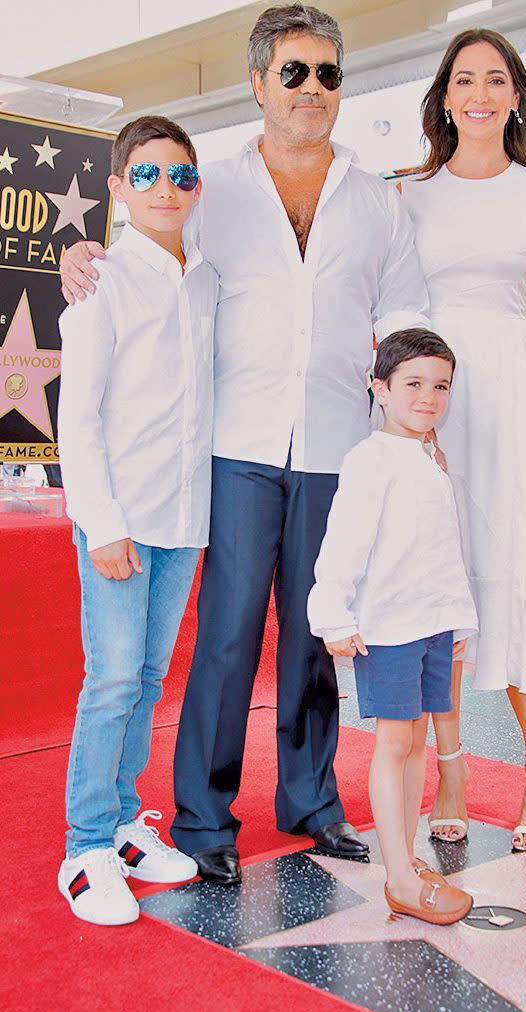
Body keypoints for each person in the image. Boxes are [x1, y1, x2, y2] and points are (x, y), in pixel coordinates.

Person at [59, 5, 430, 885]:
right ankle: (202, 816)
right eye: (293, 72)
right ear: (259, 82)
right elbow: (146, 245)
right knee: (225, 638)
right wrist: (83, 253)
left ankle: (311, 801)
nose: (312, 89)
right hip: (232, 448)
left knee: (315, 634)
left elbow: (407, 316)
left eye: (328, 73)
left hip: (338, 444)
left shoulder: (380, 201)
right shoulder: (208, 187)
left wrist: (411, 421)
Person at [403, 28, 526, 851]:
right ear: (444, 96)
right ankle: (452, 767)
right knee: (441, 586)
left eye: (495, 79)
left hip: (511, 405)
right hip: (434, 411)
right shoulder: (412, 193)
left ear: (515, 96)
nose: (478, 93)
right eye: (464, 79)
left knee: (514, 576)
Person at [57, 116, 219, 925]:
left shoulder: (209, 277)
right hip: (118, 516)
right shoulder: (100, 283)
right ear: (119, 188)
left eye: (182, 175)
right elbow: (77, 418)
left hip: (184, 515)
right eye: (147, 175)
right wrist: (103, 521)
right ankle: (84, 847)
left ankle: (123, 821)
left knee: (150, 679)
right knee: (113, 677)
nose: (167, 189)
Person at [308, 328, 476, 924]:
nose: (428, 397)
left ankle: (406, 859)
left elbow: (439, 549)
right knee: (396, 742)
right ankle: (398, 874)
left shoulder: (429, 456)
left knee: (418, 741)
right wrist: (331, 614)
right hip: (390, 627)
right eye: (412, 384)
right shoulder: (370, 459)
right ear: (379, 389)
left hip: (431, 622)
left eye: (440, 386)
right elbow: (343, 544)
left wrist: (457, 616)